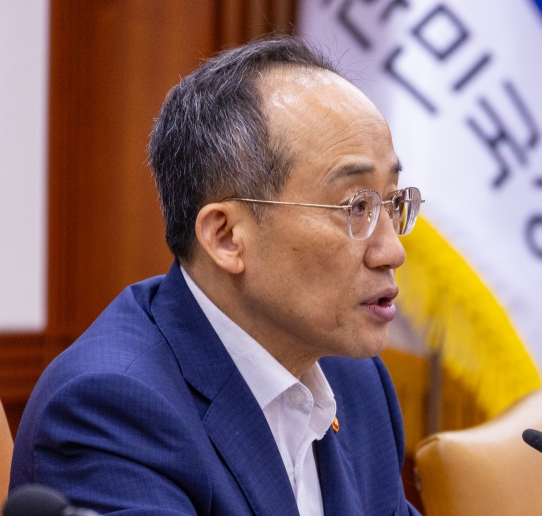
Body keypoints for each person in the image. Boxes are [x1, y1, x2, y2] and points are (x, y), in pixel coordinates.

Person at [10, 37, 423, 516]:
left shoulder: (355, 377)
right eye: (354, 207)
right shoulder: (111, 409)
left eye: (392, 202)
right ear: (226, 237)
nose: (392, 249)